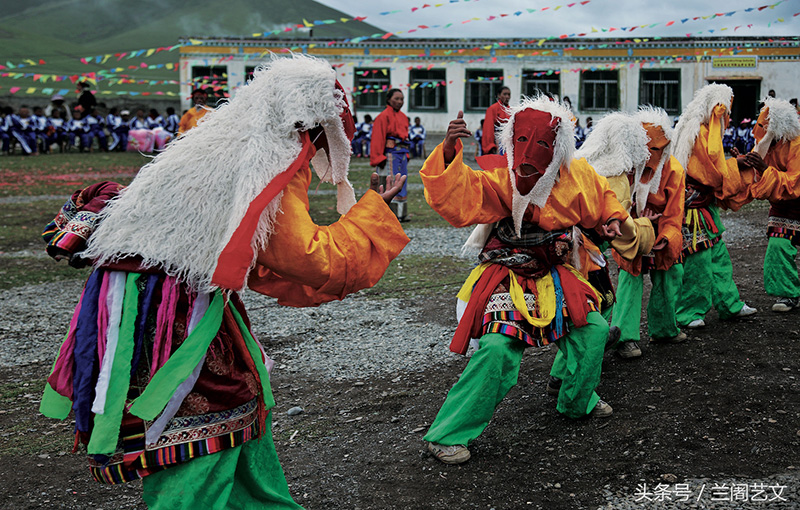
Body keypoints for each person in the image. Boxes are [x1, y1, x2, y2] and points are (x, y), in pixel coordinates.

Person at [39, 54, 409, 509]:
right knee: (206, 418)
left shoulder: (220, 135)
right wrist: (373, 218)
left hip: (152, 292)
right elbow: (307, 258)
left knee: (240, 408)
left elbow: (252, 257)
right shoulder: (268, 155)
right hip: (171, 303)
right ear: (314, 122)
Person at [420, 97, 634, 465]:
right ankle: (446, 434)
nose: (530, 153)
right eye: (521, 142)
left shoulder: (578, 174)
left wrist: (612, 219)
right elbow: (459, 196)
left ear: (558, 147)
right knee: (497, 350)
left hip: (556, 270)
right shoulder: (503, 177)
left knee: (594, 332)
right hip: (509, 272)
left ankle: (576, 400)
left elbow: (603, 200)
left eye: (541, 144)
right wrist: (449, 152)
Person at [595, 108, 687, 357]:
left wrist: (666, 237)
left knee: (670, 275)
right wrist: (633, 226)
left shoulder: (674, 170)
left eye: (658, 148)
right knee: (629, 278)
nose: (650, 155)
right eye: (647, 146)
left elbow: (674, 212)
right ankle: (624, 338)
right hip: (629, 229)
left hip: (660, 232)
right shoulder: (623, 165)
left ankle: (665, 328)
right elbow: (616, 201)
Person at [672, 84, 757, 329]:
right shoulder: (700, 132)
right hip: (694, 209)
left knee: (719, 257)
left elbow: (713, 166)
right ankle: (688, 312)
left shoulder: (706, 130)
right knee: (698, 262)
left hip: (704, 206)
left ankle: (729, 303)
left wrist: (733, 162)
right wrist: (736, 165)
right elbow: (711, 175)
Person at [744, 97, 800, 312]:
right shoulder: (765, 141)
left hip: (796, 200)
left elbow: (794, 183)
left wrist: (765, 169)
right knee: (778, 246)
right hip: (782, 206)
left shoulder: (796, 145)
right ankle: (787, 294)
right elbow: (755, 181)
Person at [370, 88, 411, 221]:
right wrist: (378, 157)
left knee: (402, 182)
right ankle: (389, 214)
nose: (400, 102)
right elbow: (377, 137)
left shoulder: (404, 117)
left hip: (402, 154)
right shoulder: (383, 116)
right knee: (389, 181)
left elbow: (406, 137)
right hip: (388, 155)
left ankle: (401, 214)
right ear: (389, 100)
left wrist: (407, 155)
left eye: (402, 99)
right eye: (397, 99)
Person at [481, 86, 511, 155]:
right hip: (498, 141)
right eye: (505, 94)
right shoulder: (493, 109)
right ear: (499, 95)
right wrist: (490, 145)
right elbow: (488, 128)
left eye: (509, 94)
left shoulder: (510, 110)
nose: (507, 97)